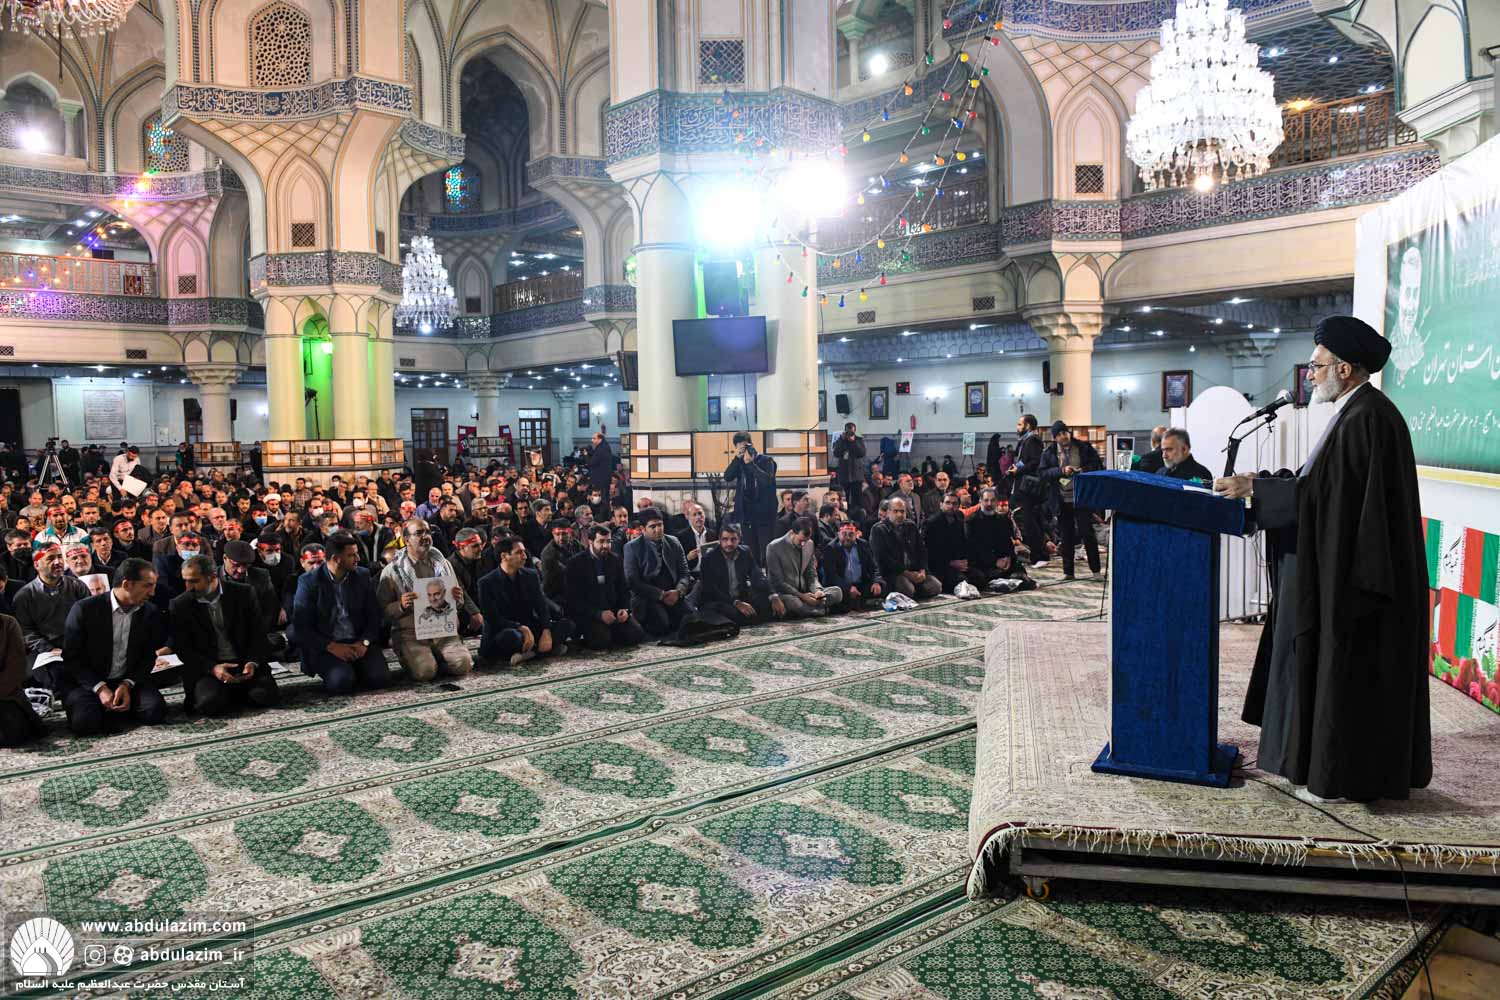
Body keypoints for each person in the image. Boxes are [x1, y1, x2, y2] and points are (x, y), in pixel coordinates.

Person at [1213, 316, 1430, 802]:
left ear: (1345, 369)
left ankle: (1345, 774)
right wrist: (1263, 482)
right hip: (1344, 572)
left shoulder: (1368, 418)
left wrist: (1257, 489)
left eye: (1316, 366)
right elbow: (1325, 487)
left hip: (1356, 584)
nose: (1309, 376)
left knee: (1348, 677)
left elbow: (1332, 500)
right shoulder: (1357, 413)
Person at [59, 559, 169, 735]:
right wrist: (100, 688)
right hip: (89, 682)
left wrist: (127, 684)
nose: (152, 593)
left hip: (128, 679)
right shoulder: (85, 609)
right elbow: (72, 658)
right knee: (84, 723)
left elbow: (148, 656)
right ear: (127, 584)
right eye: (147, 586)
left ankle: (116, 705)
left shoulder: (150, 612)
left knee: (154, 710)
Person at [172, 555, 281, 716]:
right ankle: (229, 692)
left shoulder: (243, 593)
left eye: (194, 581)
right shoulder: (180, 605)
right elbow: (184, 650)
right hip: (209, 668)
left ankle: (232, 691)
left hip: (243, 662)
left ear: (212, 577)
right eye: (186, 581)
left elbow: (258, 635)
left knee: (266, 696)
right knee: (208, 703)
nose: (188, 587)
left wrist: (252, 662)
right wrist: (213, 668)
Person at [377, 519, 478, 684]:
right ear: (407, 540)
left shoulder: (443, 564)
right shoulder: (392, 571)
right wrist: (400, 605)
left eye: (427, 532)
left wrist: (457, 598)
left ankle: (438, 658)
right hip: (411, 634)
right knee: (425, 672)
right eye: (419, 533)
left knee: (463, 665)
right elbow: (382, 610)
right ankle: (419, 657)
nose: (425, 537)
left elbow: (456, 604)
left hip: (443, 631)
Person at [292, 531, 392, 695]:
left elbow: (374, 615)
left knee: (380, 679)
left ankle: (356, 667)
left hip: (359, 641)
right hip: (327, 646)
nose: (358, 558)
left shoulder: (361, 575)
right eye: (352, 555)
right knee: (341, 683)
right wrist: (332, 647)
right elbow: (301, 625)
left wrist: (364, 642)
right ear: (336, 559)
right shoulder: (309, 582)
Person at [478, 534, 572, 665]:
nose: (525, 556)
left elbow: (541, 606)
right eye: (519, 553)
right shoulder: (486, 582)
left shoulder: (530, 575)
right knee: (511, 637)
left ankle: (531, 653)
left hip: (530, 626)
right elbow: (492, 618)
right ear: (504, 556)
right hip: (505, 630)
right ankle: (542, 651)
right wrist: (521, 628)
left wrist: (546, 630)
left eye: (524, 552)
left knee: (567, 624)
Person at [12, 544, 91, 689]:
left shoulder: (77, 586)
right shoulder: (24, 596)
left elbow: (90, 620)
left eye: (60, 557)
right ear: (37, 564)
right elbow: (25, 631)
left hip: (77, 644)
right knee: (56, 676)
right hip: (44, 649)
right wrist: (48, 648)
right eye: (50, 558)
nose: (58, 562)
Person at [566, 524, 647, 650]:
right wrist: (599, 614)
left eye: (608, 541)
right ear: (590, 541)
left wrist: (624, 609)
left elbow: (623, 590)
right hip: (590, 614)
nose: (605, 545)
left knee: (636, 634)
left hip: (613, 612)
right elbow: (574, 600)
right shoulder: (576, 563)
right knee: (601, 640)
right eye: (601, 541)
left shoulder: (615, 559)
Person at [1039, 421, 1103, 580]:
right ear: (1055, 438)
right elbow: (1043, 473)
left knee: (1087, 534)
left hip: (1081, 497)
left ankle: (1096, 570)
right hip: (1061, 499)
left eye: (1065, 432)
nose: (1063, 436)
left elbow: (1097, 465)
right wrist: (1061, 471)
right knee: (1066, 537)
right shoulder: (1049, 453)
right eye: (1060, 434)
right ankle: (1068, 572)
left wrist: (1083, 471)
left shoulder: (1084, 448)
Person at [623, 508, 692, 637]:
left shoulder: (674, 542)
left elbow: (685, 573)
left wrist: (678, 592)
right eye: (653, 526)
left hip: (673, 594)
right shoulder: (632, 547)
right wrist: (660, 595)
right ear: (643, 529)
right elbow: (633, 582)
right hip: (648, 598)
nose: (658, 529)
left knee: (690, 619)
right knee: (662, 625)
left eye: (660, 525)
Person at [696, 523, 784, 625]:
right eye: (725, 539)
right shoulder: (708, 559)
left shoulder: (745, 552)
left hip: (741, 597)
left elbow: (758, 576)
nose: (729, 543)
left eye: (733, 539)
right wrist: (736, 603)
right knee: (736, 615)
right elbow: (711, 589)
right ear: (719, 540)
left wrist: (773, 596)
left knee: (767, 606)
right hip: (719, 600)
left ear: (739, 540)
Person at [765, 516, 840, 617]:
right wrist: (802, 596)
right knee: (794, 602)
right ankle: (818, 609)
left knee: (837, 592)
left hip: (807, 592)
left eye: (806, 540)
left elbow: (811, 574)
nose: (803, 544)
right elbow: (778, 582)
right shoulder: (774, 547)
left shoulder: (810, 544)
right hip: (788, 594)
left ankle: (812, 608)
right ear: (792, 533)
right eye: (801, 541)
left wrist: (817, 591)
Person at [722, 432, 778, 566]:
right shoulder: (739, 463)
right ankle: (754, 576)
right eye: (740, 448)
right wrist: (737, 458)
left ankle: (769, 577)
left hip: (764, 515)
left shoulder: (767, 461)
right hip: (746, 515)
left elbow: (767, 481)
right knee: (750, 554)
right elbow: (727, 476)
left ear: (751, 445)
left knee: (767, 553)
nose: (744, 451)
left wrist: (751, 464)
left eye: (745, 447)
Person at [869, 497, 941, 600]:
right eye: (895, 511)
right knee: (908, 589)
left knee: (936, 586)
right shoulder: (878, 529)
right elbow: (883, 558)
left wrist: (922, 570)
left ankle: (915, 590)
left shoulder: (911, 526)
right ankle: (913, 591)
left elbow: (922, 550)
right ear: (888, 512)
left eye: (902, 511)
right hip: (895, 573)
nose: (899, 514)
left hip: (914, 570)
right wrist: (906, 573)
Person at [968, 487, 1033, 590]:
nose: (989, 504)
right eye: (986, 500)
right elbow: (973, 548)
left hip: (1002, 560)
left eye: (992, 500)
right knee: (980, 578)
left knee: (1022, 577)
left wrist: (1008, 559)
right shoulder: (972, 521)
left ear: (997, 502)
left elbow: (1008, 544)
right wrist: (995, 561)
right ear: (980, 501)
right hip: (983, 562)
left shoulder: (1004, 520)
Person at [925, 492, 989, 592]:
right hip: (941, 565)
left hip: (959, 563)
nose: (951, 506)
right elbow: (930, 552)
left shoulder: (959, 518)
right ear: (941, 505)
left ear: (958, 506)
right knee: (962, 581)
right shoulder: (932, 523)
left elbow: (964, 543)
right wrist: (951, 563)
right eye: (948, 503)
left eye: (954, 503)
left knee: (980, 578)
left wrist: (965, 561)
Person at [1009, 414, 1049, 567]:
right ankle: (1040, 555)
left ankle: (1039, 556)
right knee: (1032, 521)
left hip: (1029, 488)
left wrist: (1018, 470)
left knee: (1030, 522)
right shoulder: (1026, 440)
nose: (1017, 427)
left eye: (1020, 424)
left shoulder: (1032, 440)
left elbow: (1034, 462)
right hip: (1025, 487)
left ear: (1028, 426)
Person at [820, 520, 883, 611]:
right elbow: (831, 575)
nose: (847, 538)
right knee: (839, 595)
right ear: (838, 534)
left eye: (851, 534)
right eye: (844, 534)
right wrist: (848, 587)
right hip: (841, 586)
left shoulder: (863, 545)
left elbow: (874, 566)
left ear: (856, 534)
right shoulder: (830, 548)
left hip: (860, 584)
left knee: (880, 586)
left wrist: (876, 581)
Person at [832, 422, 867, 512]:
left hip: (856, 474)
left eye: (852, 432)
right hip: (844, 474)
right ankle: (845, 513)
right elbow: (836, 453)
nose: (850, 433)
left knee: (857, 498)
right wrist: (842, 440)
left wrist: (853, 441)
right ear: (845, 431)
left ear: (855, 431)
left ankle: (857, 513)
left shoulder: (859, 440)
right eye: (848, 431)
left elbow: (862, 453)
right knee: (844, 497)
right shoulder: (841, 440)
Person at [675, 502, 717, 574]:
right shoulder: (681, 536)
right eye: (694, 515)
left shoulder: (713, 534)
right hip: (691, 574)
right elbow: (677, 564)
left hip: (710, 573)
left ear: (704, 515)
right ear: (689, 518)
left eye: (700, 513)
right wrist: (688, 558)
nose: (698, 517)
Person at [586, 429, 616, 497]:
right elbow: (597, 457)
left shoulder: (601, 448)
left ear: (600, 439)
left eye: (594, 438)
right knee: (603, 496)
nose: (592, 440)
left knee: (601, 496)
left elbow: (592, 463)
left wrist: (585, 455)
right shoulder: (604, 446)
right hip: (604, 478)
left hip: (600, 479)